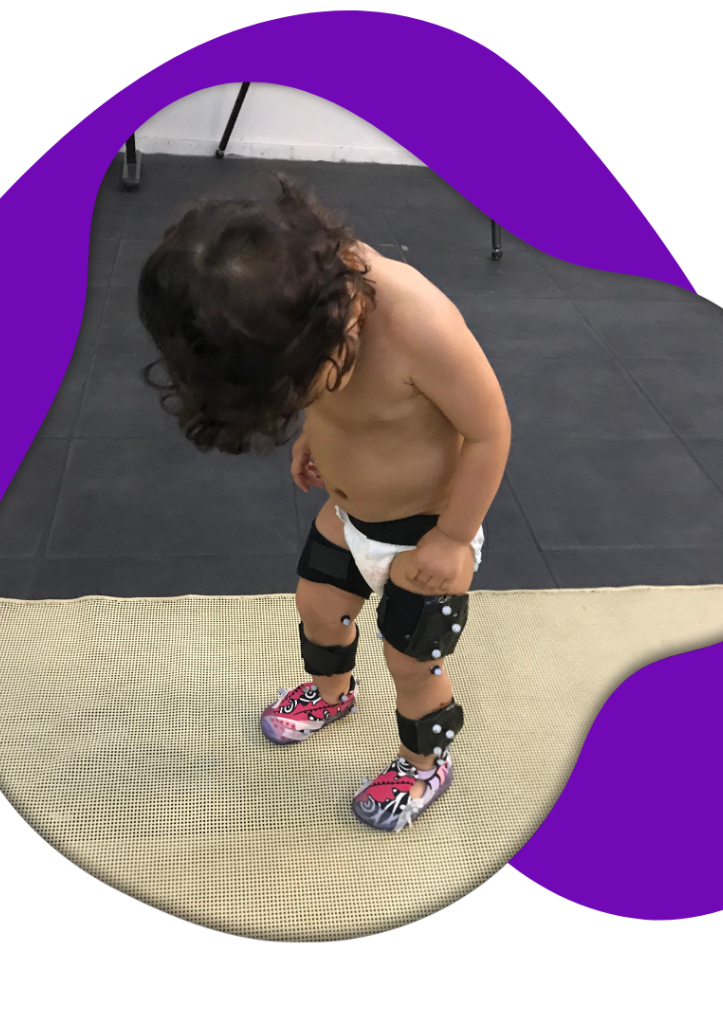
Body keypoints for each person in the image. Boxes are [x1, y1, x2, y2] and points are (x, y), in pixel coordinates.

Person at [138, 172, 511, 832]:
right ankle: (333, 692)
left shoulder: (419, 324)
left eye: (300, 389)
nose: (302, 400)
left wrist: (454, 539)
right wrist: (315, 431)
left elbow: (490, 431)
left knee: (412, 661)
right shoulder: (296, 298)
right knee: (316, 606)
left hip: (426, 532)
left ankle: (424, 763)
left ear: (341, 324)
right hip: (347, 514)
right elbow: (339, 396)